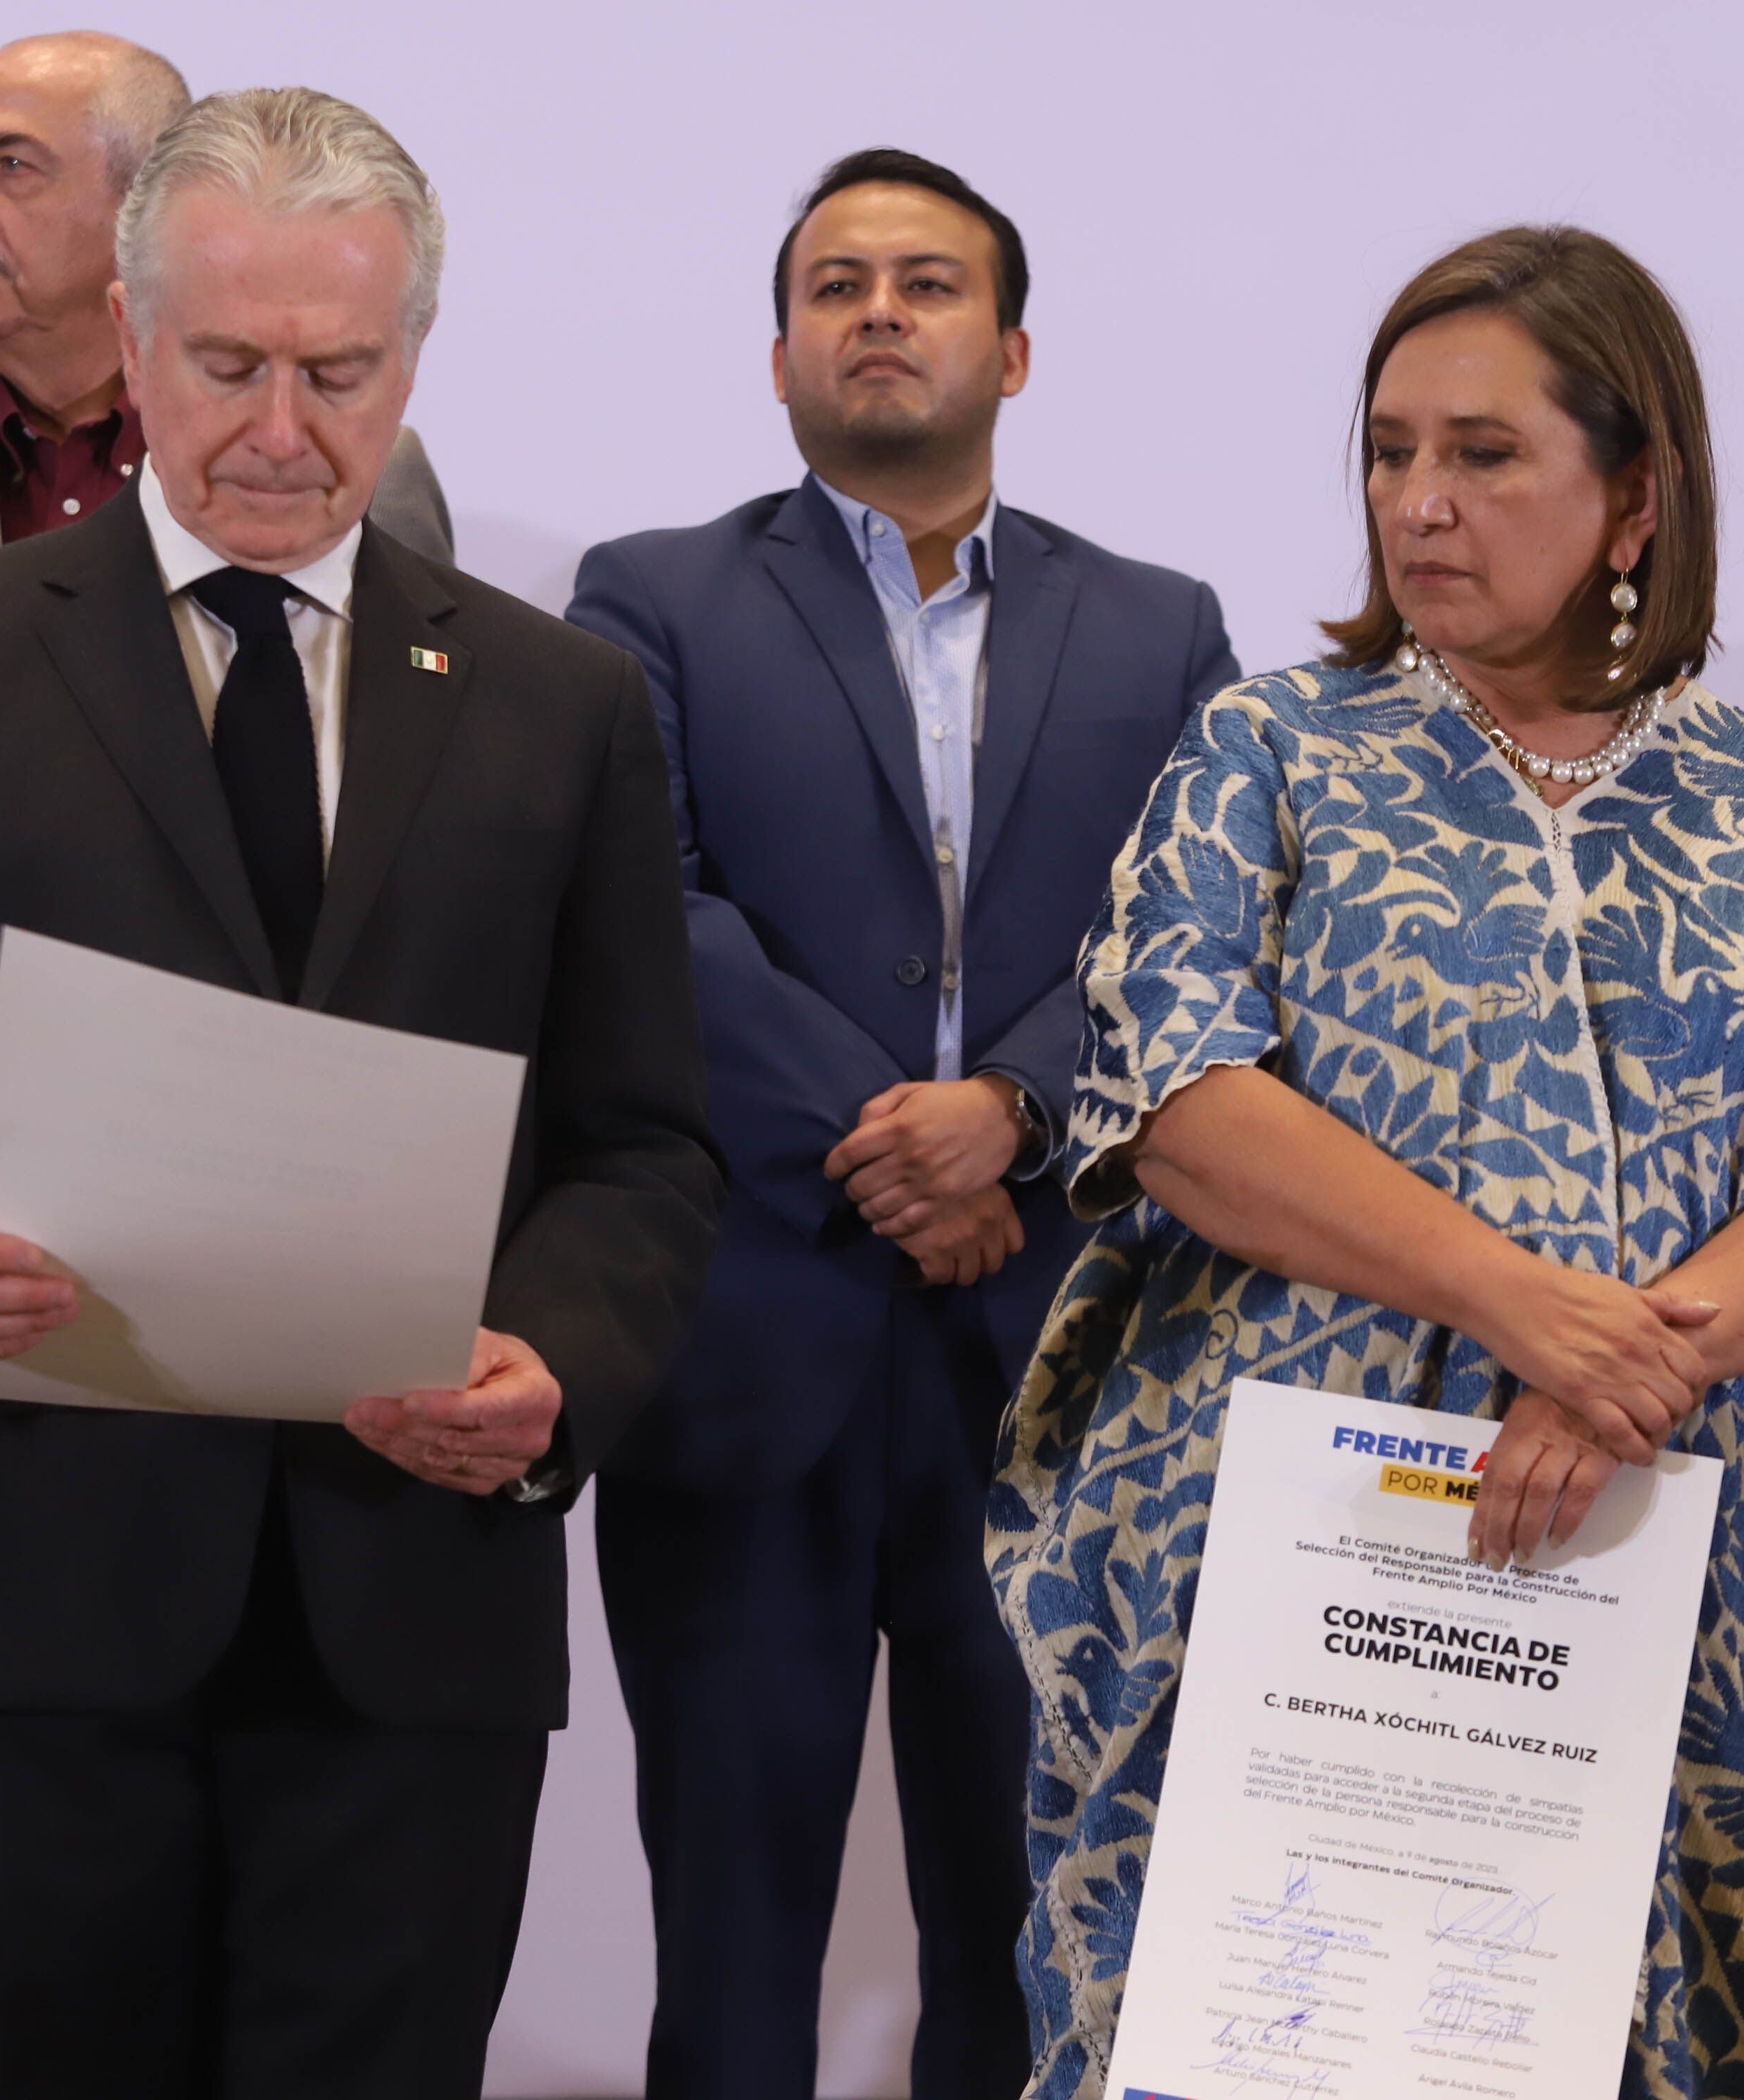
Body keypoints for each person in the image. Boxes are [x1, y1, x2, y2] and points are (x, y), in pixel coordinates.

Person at [0, 88, 718, 2099]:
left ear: (408, 359)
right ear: (138, 344)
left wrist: (552, 1363)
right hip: (25, 1600)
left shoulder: (561, 703)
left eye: (337, 374)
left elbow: (643, 1145)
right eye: (231, 366)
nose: (279, 428)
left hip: (410, 1600)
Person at [985, 225, 1744, 2100]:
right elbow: (1176, 1095)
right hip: (1290, 1566)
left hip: (1657, 1561)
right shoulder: (1268, 750)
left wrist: (1620, 1372)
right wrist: (1520, 1305)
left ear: (1633, 497)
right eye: (1386, 451)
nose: (1417, 505)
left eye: (1483, 454)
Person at [569, 150, 1235, 2100]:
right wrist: (891, 1133)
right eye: (836, 281)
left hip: (1059, 1356)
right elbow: (641, 907)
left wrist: (1012, 1116)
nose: (879, 310)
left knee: (1029, 1928)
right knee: (730, 1934)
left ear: (1011, 350)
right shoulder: (653, 598)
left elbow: (1182, 928)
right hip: (747, 1342)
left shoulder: (1160, 626)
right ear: (777, 348)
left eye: (927, 282)